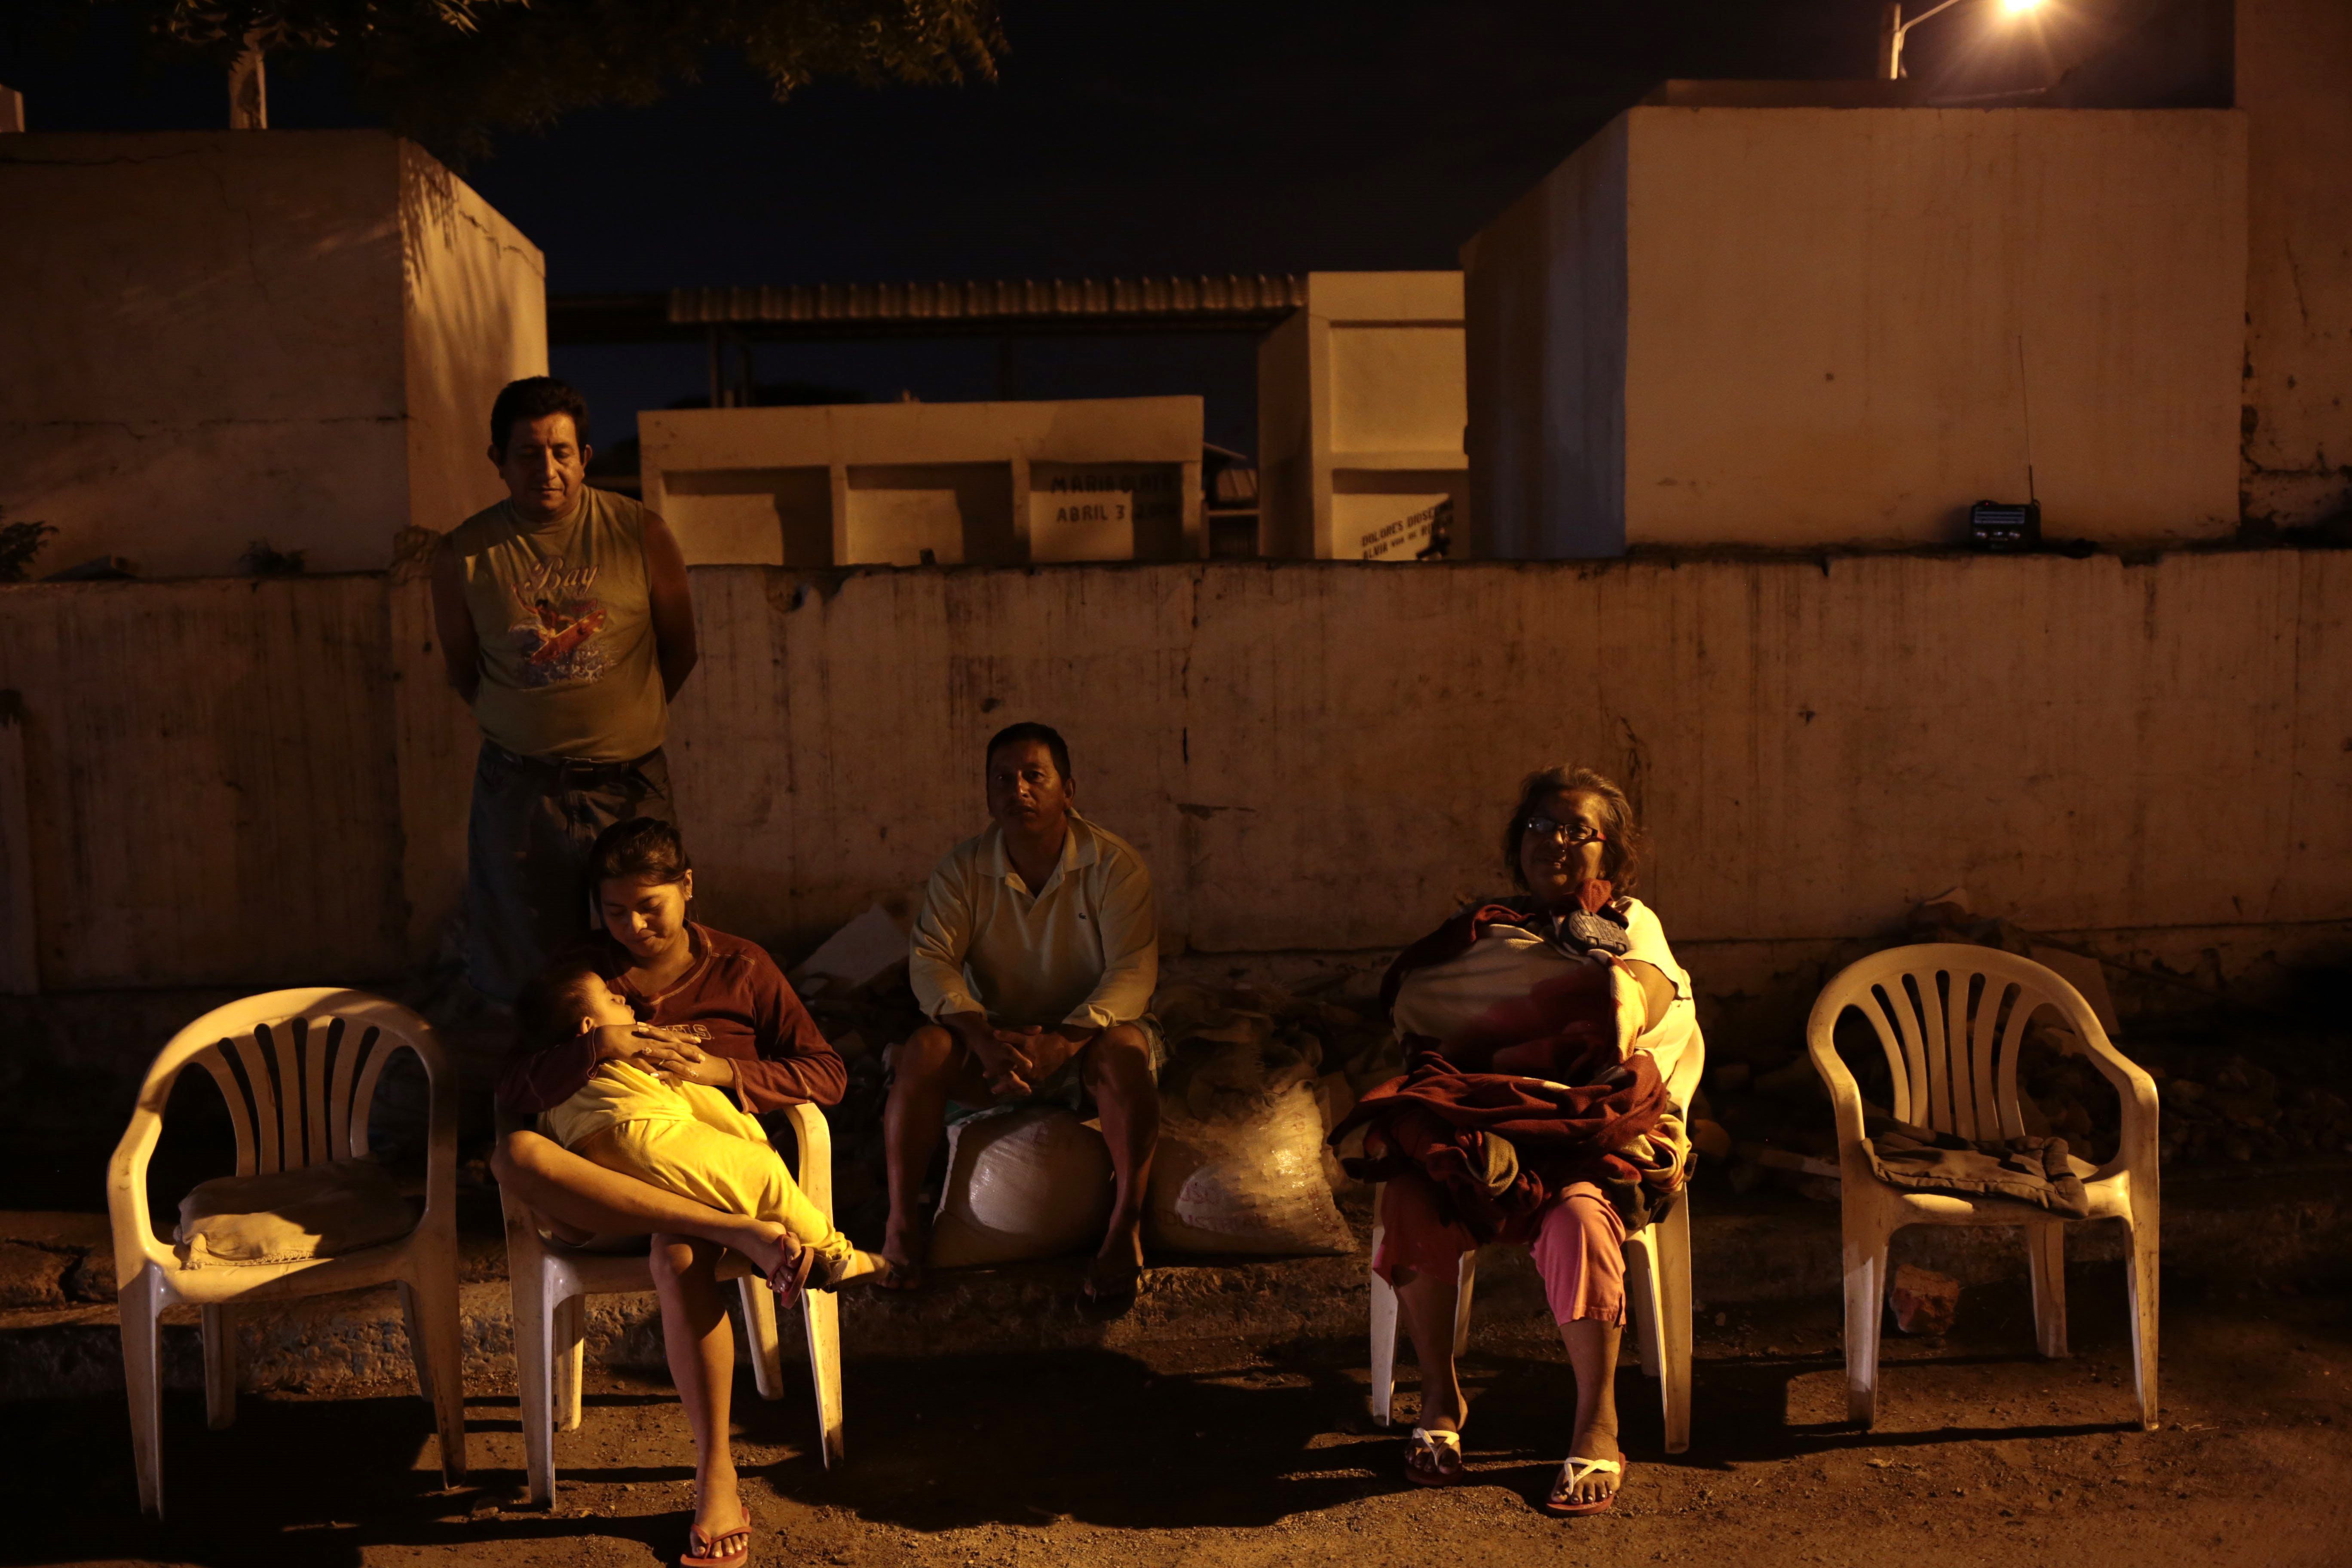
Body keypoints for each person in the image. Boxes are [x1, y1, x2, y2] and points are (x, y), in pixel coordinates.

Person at [1330, 766, 1697, 1517]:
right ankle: (1439, 1395)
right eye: (1538, 826)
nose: (1552, 842)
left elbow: (1646, 996)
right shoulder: (1489, 929)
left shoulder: (1631, 919)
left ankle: (1597, 1417)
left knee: (1583, 1215)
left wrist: (1598, 1008)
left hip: (1583, 1127)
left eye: (1575, 830)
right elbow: (1425, 1009)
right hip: (1486, 1122)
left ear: (1613, 855)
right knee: (1411, 1190)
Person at [492, 818, 844, 1568]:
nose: (633, 926)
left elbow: (826, 1072)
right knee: (514, 1152)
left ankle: (716, 1471)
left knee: (680, 1250)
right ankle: (736, 1229)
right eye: (614, 910)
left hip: (699, 1180)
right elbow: (510, 1086)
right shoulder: (582, 970)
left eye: (650, 904)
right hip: (597, 1192)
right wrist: (599, 1045)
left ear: (688, 886)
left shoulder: (742, 968)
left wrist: (728, 1074)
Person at [431, 375, 700, 1004]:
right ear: (498, 461)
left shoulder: (641, 533)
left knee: (651, 957)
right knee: (526, 973)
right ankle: (539, 1096)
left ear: (585, 458)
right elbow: (463, 668)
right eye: (527, 453)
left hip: (631, 785)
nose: (545, 469)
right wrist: (530, 727)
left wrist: (621, 723)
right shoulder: (464, 556)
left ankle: (650, 1092)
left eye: (561, 452)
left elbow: (680, 649)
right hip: (521, 791)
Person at [885, 722, 1162, 1307]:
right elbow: (931, 964)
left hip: (1085, 1044)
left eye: (1035, 776)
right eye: (1003, 780)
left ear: (1069, 789)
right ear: (988, 796)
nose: (1019, 791)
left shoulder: (1114, 865)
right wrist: (984, 1039)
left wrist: (1065, 1042)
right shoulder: (961, 870)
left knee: (1128, 1053)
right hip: (999, 1048)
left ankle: (1126, 1225)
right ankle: (902, 1225)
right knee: (924, 1052)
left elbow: (1133, 972)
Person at [515, 959, 887, 1295]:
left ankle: (772, 1242)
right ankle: (832, 1254)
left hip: (595, 1177)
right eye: (612, 1000)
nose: (625, 1001)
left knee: (682, 1248)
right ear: (588, 1027)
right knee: (760, 1172)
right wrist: (753, 1142)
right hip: (643, 1137)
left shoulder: (557, 1077)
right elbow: (704, 1103)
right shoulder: (640, 1045)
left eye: (650, 907)